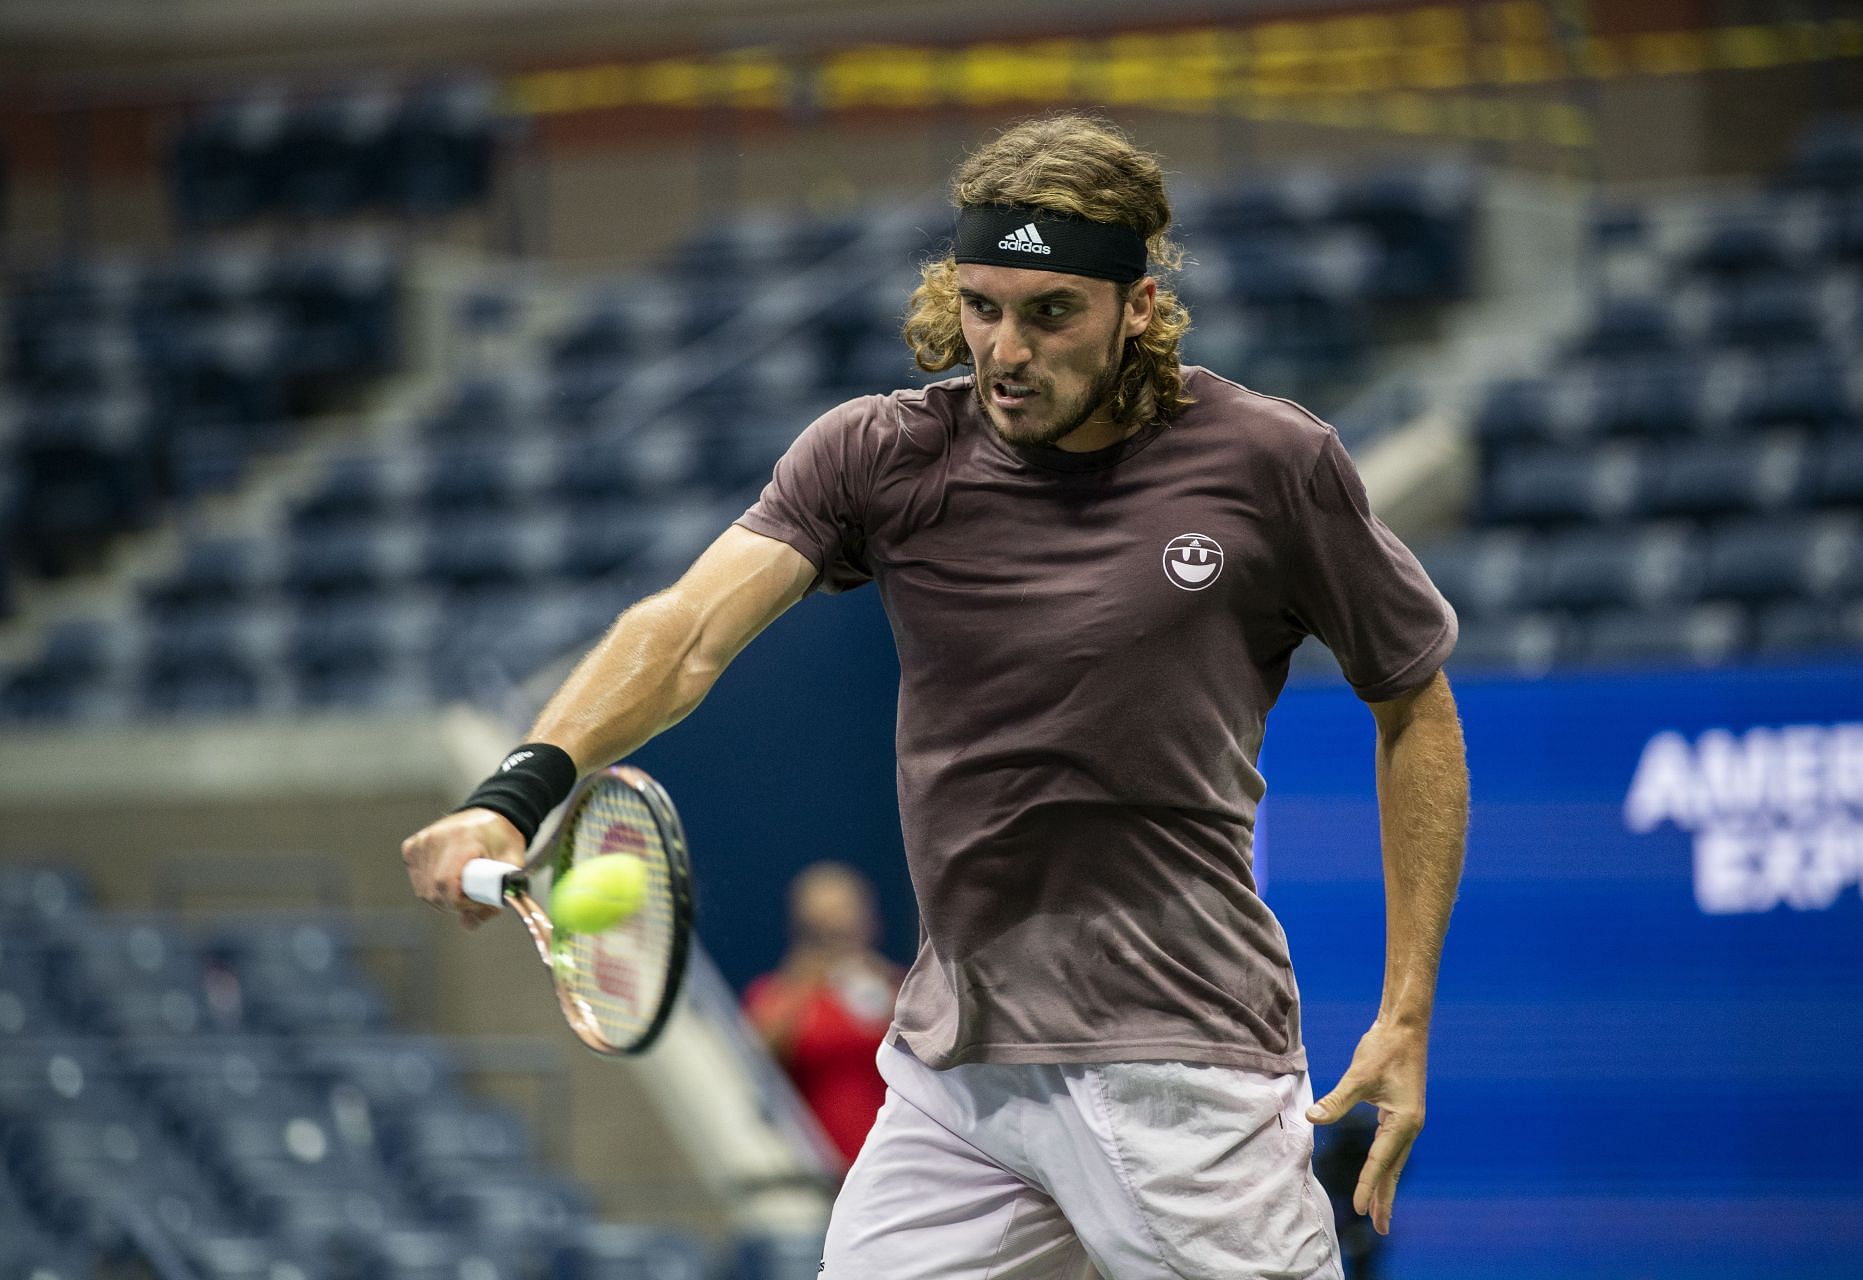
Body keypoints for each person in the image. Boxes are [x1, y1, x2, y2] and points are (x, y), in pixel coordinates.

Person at [401, 112, 1469, 1279]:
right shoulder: (880, 456)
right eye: (982, 306)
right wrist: (515, 793)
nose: (1006, 349)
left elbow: (1415, 703)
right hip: (957, 1072)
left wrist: (1405, 1008)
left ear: (1139, 308)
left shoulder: (1272, 463)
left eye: (1052, 311)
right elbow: (686, 629)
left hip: (1179, 1059)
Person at [744, 861, 902, 1166]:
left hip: (893, 1165)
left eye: (848, 914)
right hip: (812, 1171)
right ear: (803, 928)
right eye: (826, 922)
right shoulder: (776, 996)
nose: (839, 927)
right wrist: (801, 985)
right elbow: (753, 1067)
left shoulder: (904, 992)